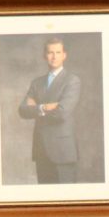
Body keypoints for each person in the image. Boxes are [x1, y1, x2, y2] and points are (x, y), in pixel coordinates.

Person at [18, 37, 81, 183]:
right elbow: (22, 110)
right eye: (50, 52)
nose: (54, 56)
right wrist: (44, 107)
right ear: (44, 55)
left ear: (64, 55)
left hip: (63, 151)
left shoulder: (72, 81)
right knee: (44, 195)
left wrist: (36, 108)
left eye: (58, 52)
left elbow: (62, 113)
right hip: (41, 150)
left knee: (65, 195)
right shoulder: (37, 83)